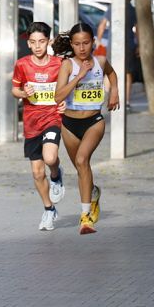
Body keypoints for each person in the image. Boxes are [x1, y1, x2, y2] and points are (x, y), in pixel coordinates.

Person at [54, 22, 119, 235]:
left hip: (94, 121)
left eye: (86, 43)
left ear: (93, 42)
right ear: (71, 45)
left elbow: (112, 74)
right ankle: (93, 192)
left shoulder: (100, 61)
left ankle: (85, 217)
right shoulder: (67, 65)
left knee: (83, 161)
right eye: (77, 44)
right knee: (80, 168)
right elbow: (58, 96)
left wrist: (115, 92)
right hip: (69, 124)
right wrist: (79, 76)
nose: (82, 48)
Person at [11, 22, 66, 230]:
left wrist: (64, 102)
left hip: (52, 118)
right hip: (31, 122)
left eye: (41, 42)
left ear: (49, 42)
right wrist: (24, 94)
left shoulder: (59, 64)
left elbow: (69, 87)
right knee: (36, 172)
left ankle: (56, 174)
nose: (37, 46)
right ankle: (49, 209)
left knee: (50, 157)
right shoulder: (22, 64)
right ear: (28, 43)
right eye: (33, 42)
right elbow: (14, 90)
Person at [95, 0, 140, 110]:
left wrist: (99, 41)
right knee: (128, 72)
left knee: (109, 69)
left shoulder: (113, 8)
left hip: (113, 44)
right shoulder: (132, 10)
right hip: (129, 44)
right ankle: (127, 101)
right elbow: (138, 29)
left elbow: (102, 25)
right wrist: (138, 44)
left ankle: (105, 96)